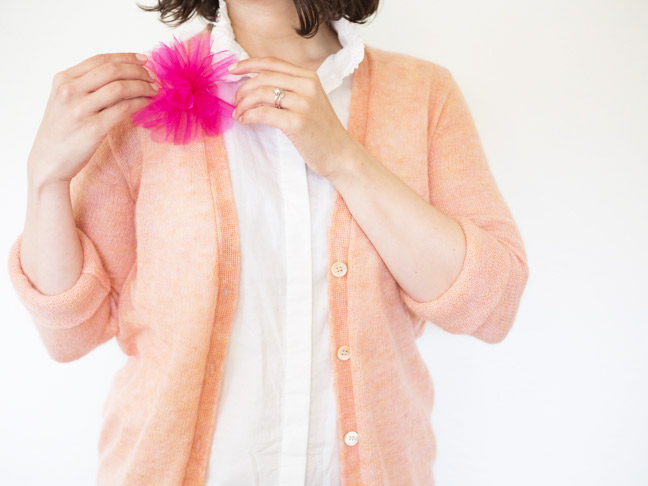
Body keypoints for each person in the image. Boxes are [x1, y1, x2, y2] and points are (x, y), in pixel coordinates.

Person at [7, 0, 530, 484]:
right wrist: (44, 179)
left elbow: (492, 304)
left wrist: (343, 157)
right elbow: (70, 334)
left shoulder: (423, 95)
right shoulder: (139, 96)